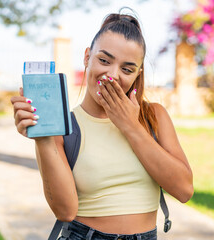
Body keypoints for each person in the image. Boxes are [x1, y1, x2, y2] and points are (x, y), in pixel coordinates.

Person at [11, 9, 193, 240]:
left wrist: (130, 126)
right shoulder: (65, 126)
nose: (112, 75)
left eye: (127, 69)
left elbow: (184, 190)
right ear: (87, 57)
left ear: (138, 73)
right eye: (104, 60)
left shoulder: (153, 117)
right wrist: (43, 137)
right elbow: (65, 211)